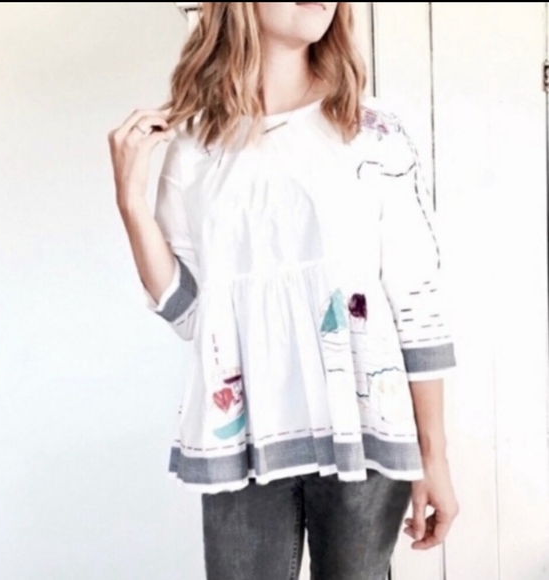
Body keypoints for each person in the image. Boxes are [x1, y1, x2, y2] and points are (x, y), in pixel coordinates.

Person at [108, 3, 459, 579]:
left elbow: (416, 299)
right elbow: (190, 313)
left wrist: (434, 456)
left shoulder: (372, 129)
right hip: (242, 436)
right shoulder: (196, 145)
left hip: (363, 431)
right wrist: (130, 201)